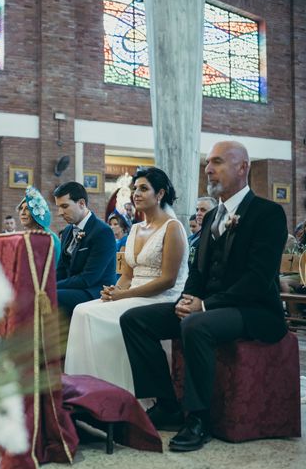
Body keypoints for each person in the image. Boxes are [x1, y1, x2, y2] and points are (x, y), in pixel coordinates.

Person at [120, 141, 288, 453]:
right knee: (134, 320)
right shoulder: (212, 217)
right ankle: (167, 404)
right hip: (210, 306)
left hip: (253, 310)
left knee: (196, 325)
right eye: (208, 163)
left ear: (242, 168)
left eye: (218, 162)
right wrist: (188, 298)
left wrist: (205, 305)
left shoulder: (269, 213)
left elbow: (257, 279)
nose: (208, 169)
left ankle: (198, 419)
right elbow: (197, 271)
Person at [64, 168, 188, 394]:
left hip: (161, 298)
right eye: (134, 189)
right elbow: (128, 276)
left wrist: (124, 295)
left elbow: (168, 280)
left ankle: (123, 392)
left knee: (92, 315)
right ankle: (89, 391)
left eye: (143, 189)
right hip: (133, 293)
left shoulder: (173, 227)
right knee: (81, 310)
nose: (136, 194)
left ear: (160, 194)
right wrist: (113, 291)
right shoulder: (137, 229)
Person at [53, 182, 116, 318]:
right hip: (74, 287)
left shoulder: (102, 232)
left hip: (95, 291)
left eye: (64, 206)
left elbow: (88, 278)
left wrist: (51, 286)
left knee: (52, 296)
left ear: (81, 203)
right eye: (58, 207)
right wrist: (45, 285)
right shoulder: (68, 230)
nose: (60, 213)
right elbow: (61, 269)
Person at [17, 186, 61, 265]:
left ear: (37, 212)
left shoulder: (49, 238)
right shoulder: (24, 235)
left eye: (27, 209)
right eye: (21, 208)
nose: (22, 212)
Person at [188, 197, 217, 265]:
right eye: (197, 210)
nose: (198, 213)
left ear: (214, 211)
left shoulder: (215, 234)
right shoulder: (195, 236)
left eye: (203, 210)